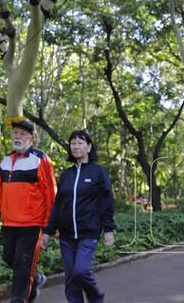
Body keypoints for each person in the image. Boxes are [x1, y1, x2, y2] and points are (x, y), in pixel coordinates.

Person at [0, 119, 56, 303]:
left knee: (23, 263)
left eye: (23, 134)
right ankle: (36, 281)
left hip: (32, 223)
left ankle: (18, 299)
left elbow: (50, 193)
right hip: (9, 222)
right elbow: (1, 190)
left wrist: (51, 223)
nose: (18, 136)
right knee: (9, 257)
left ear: (31, 139)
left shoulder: (40, 159)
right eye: (15, 133)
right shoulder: (6, 160)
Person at [41, 130, 115, 303]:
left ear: (89, 147)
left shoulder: (98, 172)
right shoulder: (67, 175)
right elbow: (58, 205)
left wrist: (108, 229)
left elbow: (107, 201)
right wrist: (48, 230)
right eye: (72, 143)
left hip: (88, 232)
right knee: (71, 279)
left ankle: (96, 297)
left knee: (80, 271)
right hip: (66, 235)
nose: (75, 146)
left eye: (80, 142)